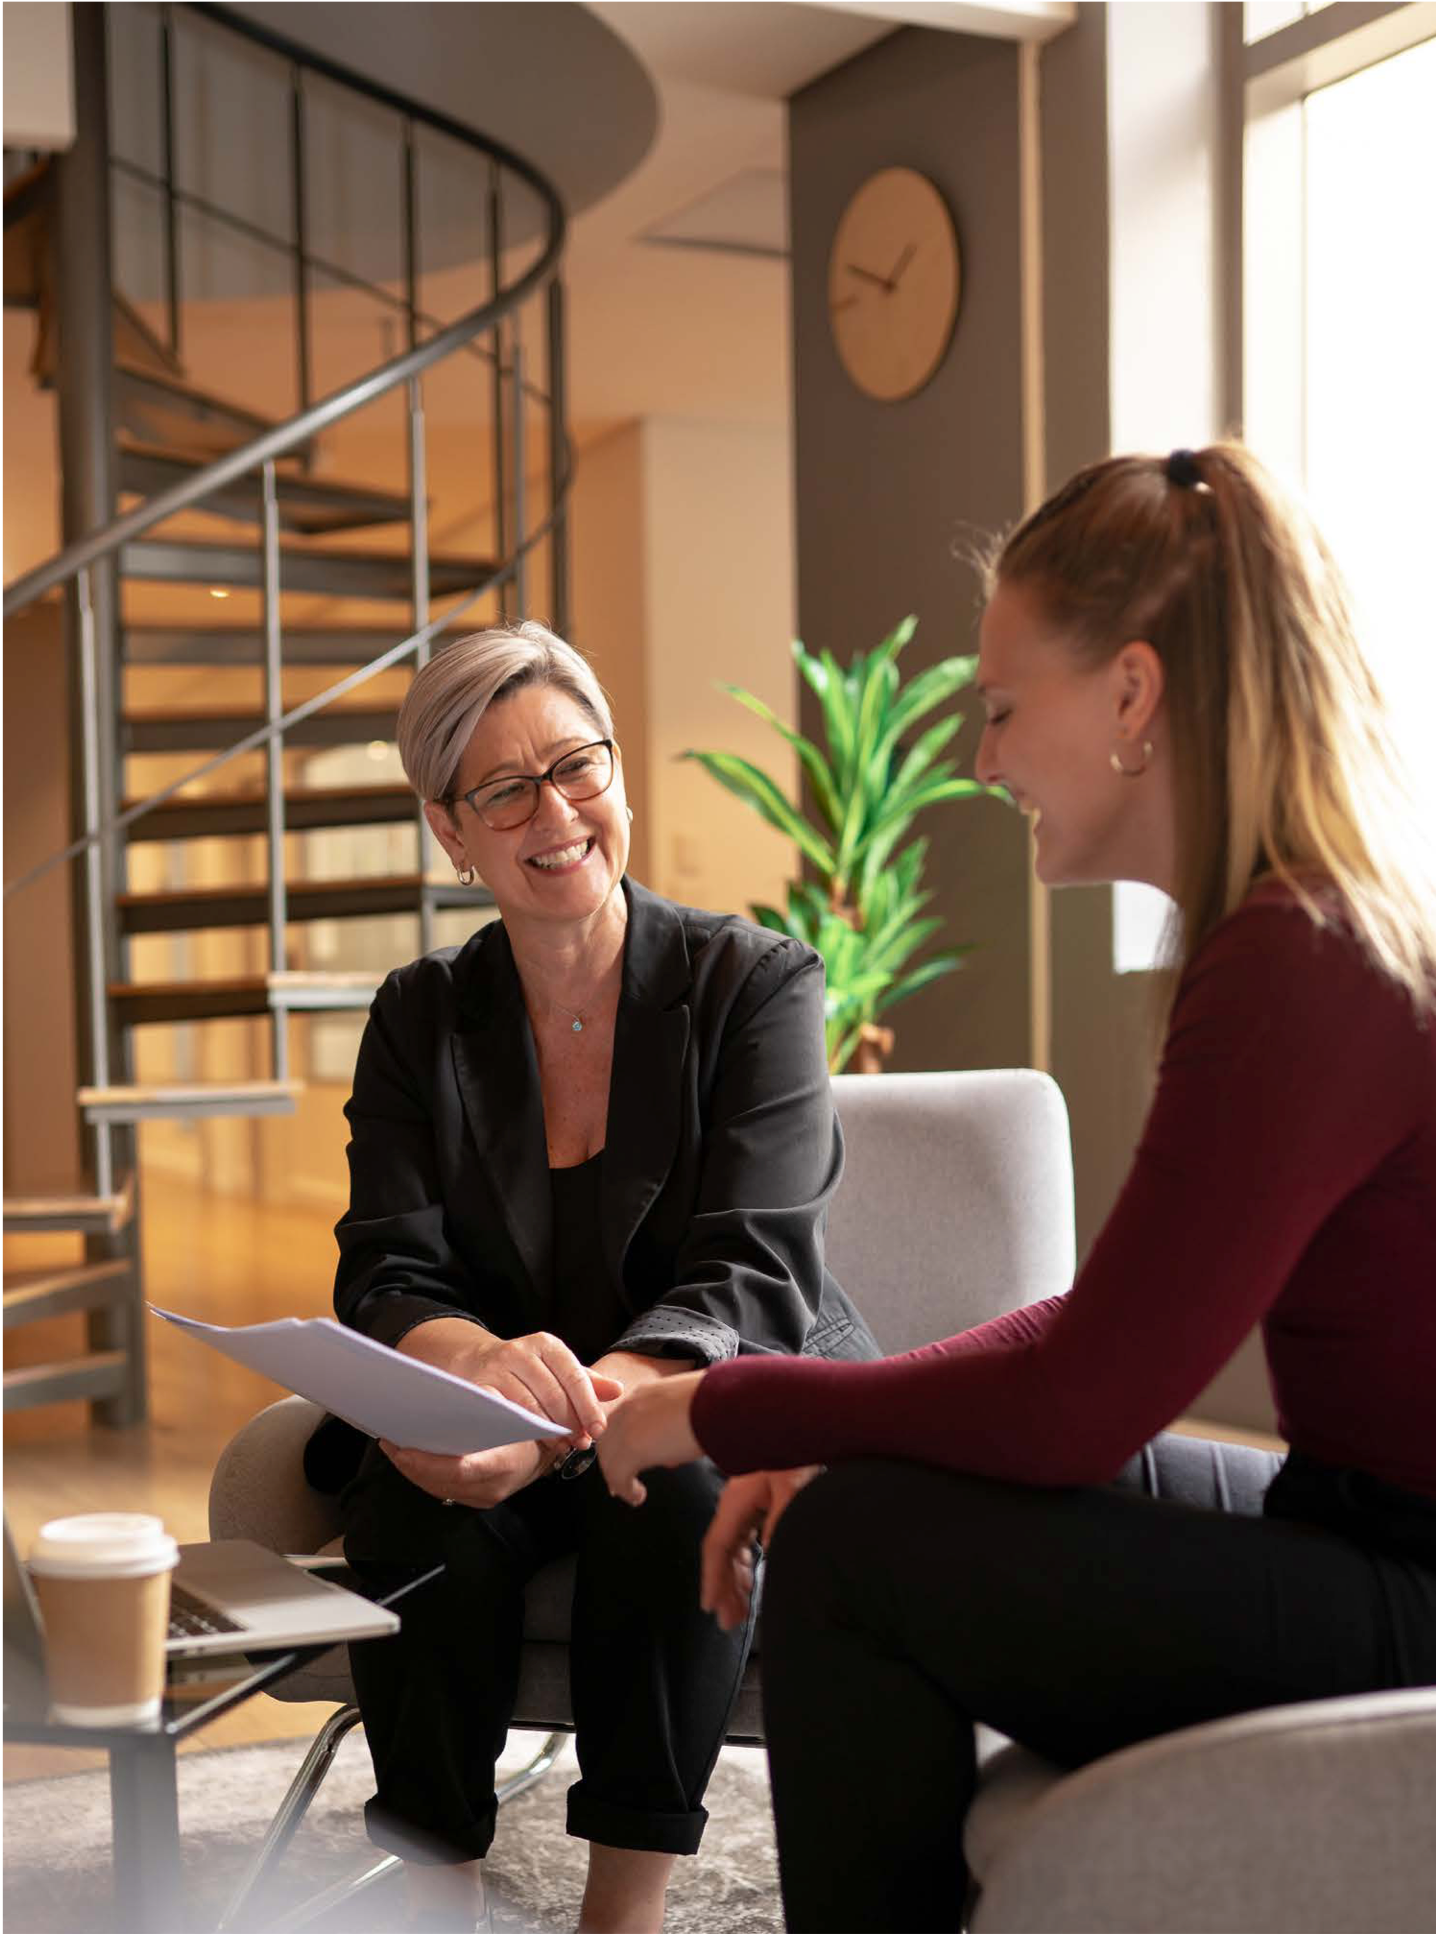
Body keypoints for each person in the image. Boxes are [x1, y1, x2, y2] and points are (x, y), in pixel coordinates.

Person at [595, 444, 1436, 1933]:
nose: (981, 759)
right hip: (1359, 1520)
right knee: (885, 1485)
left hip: (1412, 1588)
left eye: (998, 707)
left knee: (854, 1553)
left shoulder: (1299, 958)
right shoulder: (1297, 926)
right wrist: (821, 1422)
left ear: (1130, 695)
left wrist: (726, 1405)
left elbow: (1079, 1405)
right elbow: (1089, 1338)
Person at [323, 619, 877, 1935]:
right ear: (450, 831)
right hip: (497, 1408)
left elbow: (751, 1260)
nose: (553, 811)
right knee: (406, 1512)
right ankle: (437, 1894)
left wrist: (572, 1419)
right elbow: (390, 1256)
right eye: (503, 789)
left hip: (694, 1382)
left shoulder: (756, 983)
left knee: (674, 1481)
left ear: (621, 777)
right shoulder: (418, 1014)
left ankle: (619, 1914)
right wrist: (459, 1377)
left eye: (577, 766)